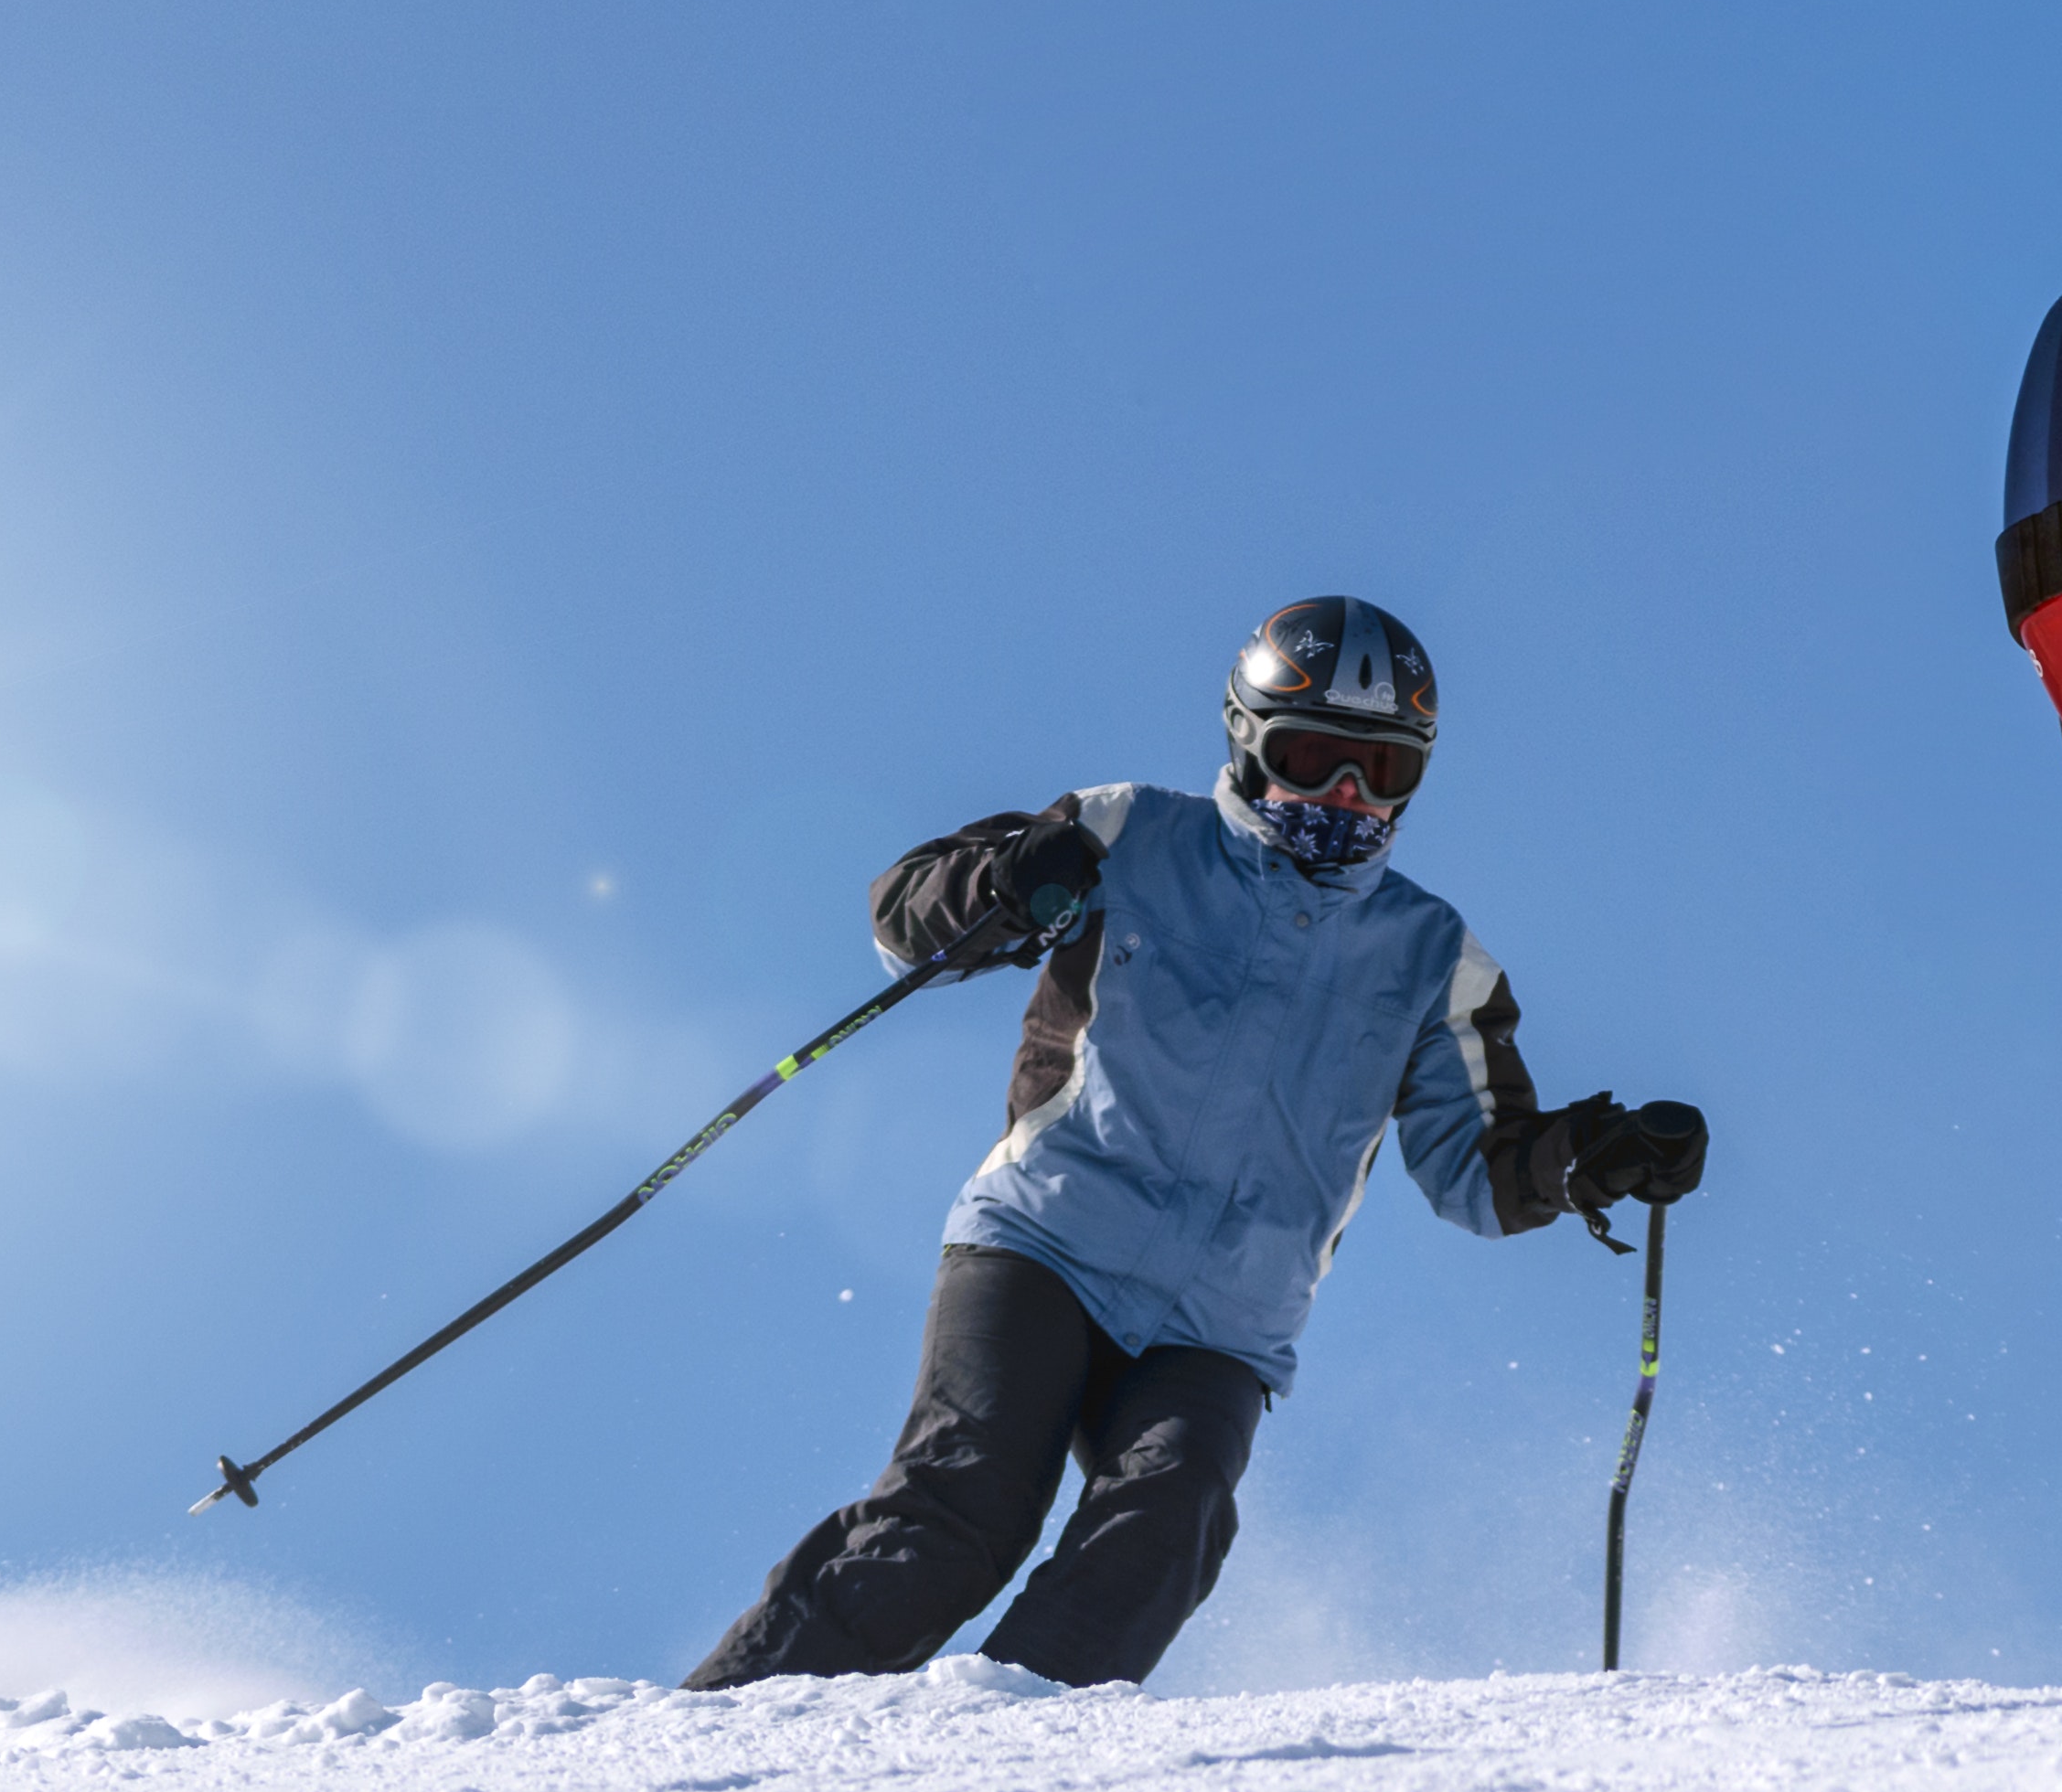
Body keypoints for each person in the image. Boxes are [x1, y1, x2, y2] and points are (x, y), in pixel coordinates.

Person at [686, 595, 1708, 1692]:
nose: (1344, 797)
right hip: (1046, 1241)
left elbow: (1481, 1172)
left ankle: (998, 1763)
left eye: (1380, 771)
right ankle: (725, 1732)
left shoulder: (1431, 957)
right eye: (1312, 757)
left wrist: (1591, 1155)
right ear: (1245, 737)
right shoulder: (1130, 833)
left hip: (1220, 1323)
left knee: (1165, 1528)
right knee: (964, 1508)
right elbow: (907, 917)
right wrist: (1009, 884)